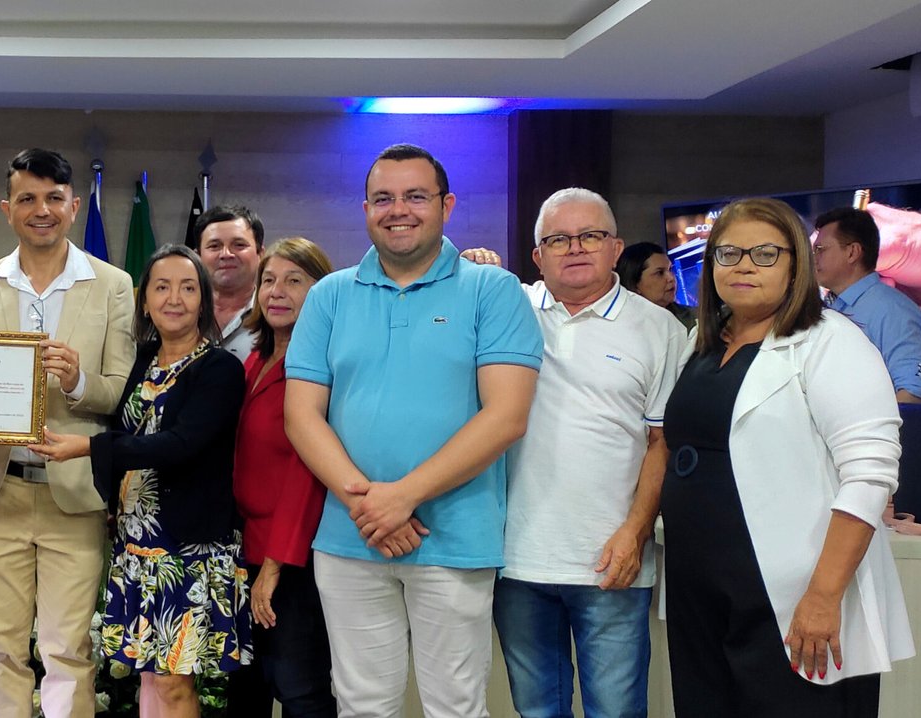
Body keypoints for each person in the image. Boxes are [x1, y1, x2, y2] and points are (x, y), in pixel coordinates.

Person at [285, 143, 542, 717]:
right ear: (366, 208)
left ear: (446, 205)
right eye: (383, 198)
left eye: (415, 196)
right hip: (350, 538)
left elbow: (506, 416)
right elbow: (301, 417)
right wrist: (370, 505)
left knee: (454, 705)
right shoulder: (329, 295)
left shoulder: (492, 290)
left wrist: (403, 497)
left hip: (453, 538)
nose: (398, 209)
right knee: (361, 705)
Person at [661, 197, 914, 717]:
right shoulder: (702, 342)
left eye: (765, 253)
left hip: (792, 595)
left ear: (797, 264)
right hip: (702, 591)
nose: (744, 265)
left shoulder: (832, 343)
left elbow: (869, 475)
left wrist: (823, 596)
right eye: (728, 253)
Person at [31, 245, 251, 718]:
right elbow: (124, 427)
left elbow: (178, 444)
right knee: (150, 676)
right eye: (162, 286)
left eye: (189, 287)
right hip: (137, 543)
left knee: (173, 683)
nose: (175, 298)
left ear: (204, 300)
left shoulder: (220, 370)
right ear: (144, 299)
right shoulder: (144, 358)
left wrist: (86, 448)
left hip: (187, 550)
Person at [0, 148, 136, 718]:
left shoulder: (114, 285)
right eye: (27, 199)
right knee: (0, 651)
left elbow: (122, 395)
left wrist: (80, 381)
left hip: (75, 494)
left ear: (74, 206)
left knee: (67, 652)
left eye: (54, 198)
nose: (41, 210)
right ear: (7, 209)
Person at [495, 188, 686, 718]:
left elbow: (662, 443)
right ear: (537, 256)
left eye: (591, 236)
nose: (574, 248)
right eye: (558, 239)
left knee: (616, 712)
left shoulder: (661, 329)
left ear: (614, 246)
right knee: (536, 711)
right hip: (517, 562)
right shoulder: (509, 310)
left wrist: (635, 534)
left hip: (612, 563)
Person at [226, 237, 337, 718]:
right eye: (269, 280)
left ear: (322, 291)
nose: (277, 291)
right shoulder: (254, 358)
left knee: (299, 688)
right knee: (246, 686)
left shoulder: (321, 368)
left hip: (294, 555)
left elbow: (306, 472)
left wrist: (274, 565)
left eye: (295, 281)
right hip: (243, 549)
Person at [812, 206, 921, 403]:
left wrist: (866, 431)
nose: (813, 258)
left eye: (820, 250)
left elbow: (913, 393)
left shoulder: (893, 312)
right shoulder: (829, 307)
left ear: (852, 253)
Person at [188, 205, 264, 360]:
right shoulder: (178, 314)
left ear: (260, 254)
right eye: (214, 246)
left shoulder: (276, 317)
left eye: (239, 245)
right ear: (197, 257)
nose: (226, 254)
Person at [617, 242, 696, 329]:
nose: (671, 278)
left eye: (670, 269)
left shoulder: (695, 318)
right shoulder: (620, 327)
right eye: (660, 273)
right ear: (635, 284)